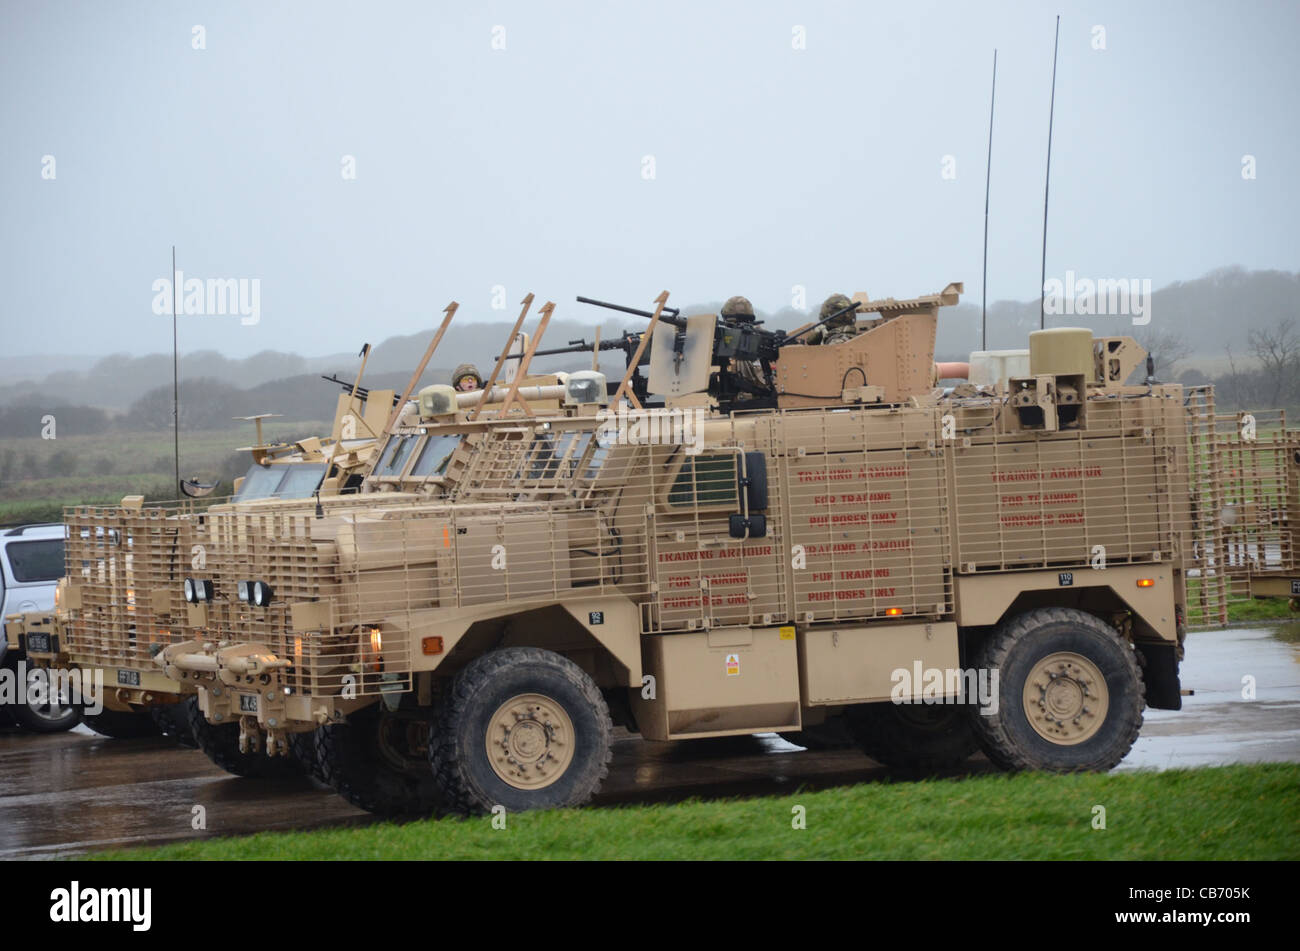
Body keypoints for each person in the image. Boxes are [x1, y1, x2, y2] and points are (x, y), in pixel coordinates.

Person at [720, 295, 766, 399]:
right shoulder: (756, 335)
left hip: (757, 393)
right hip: (747, 396)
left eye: (730, 322)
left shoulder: (757, 338)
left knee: (740, 358)